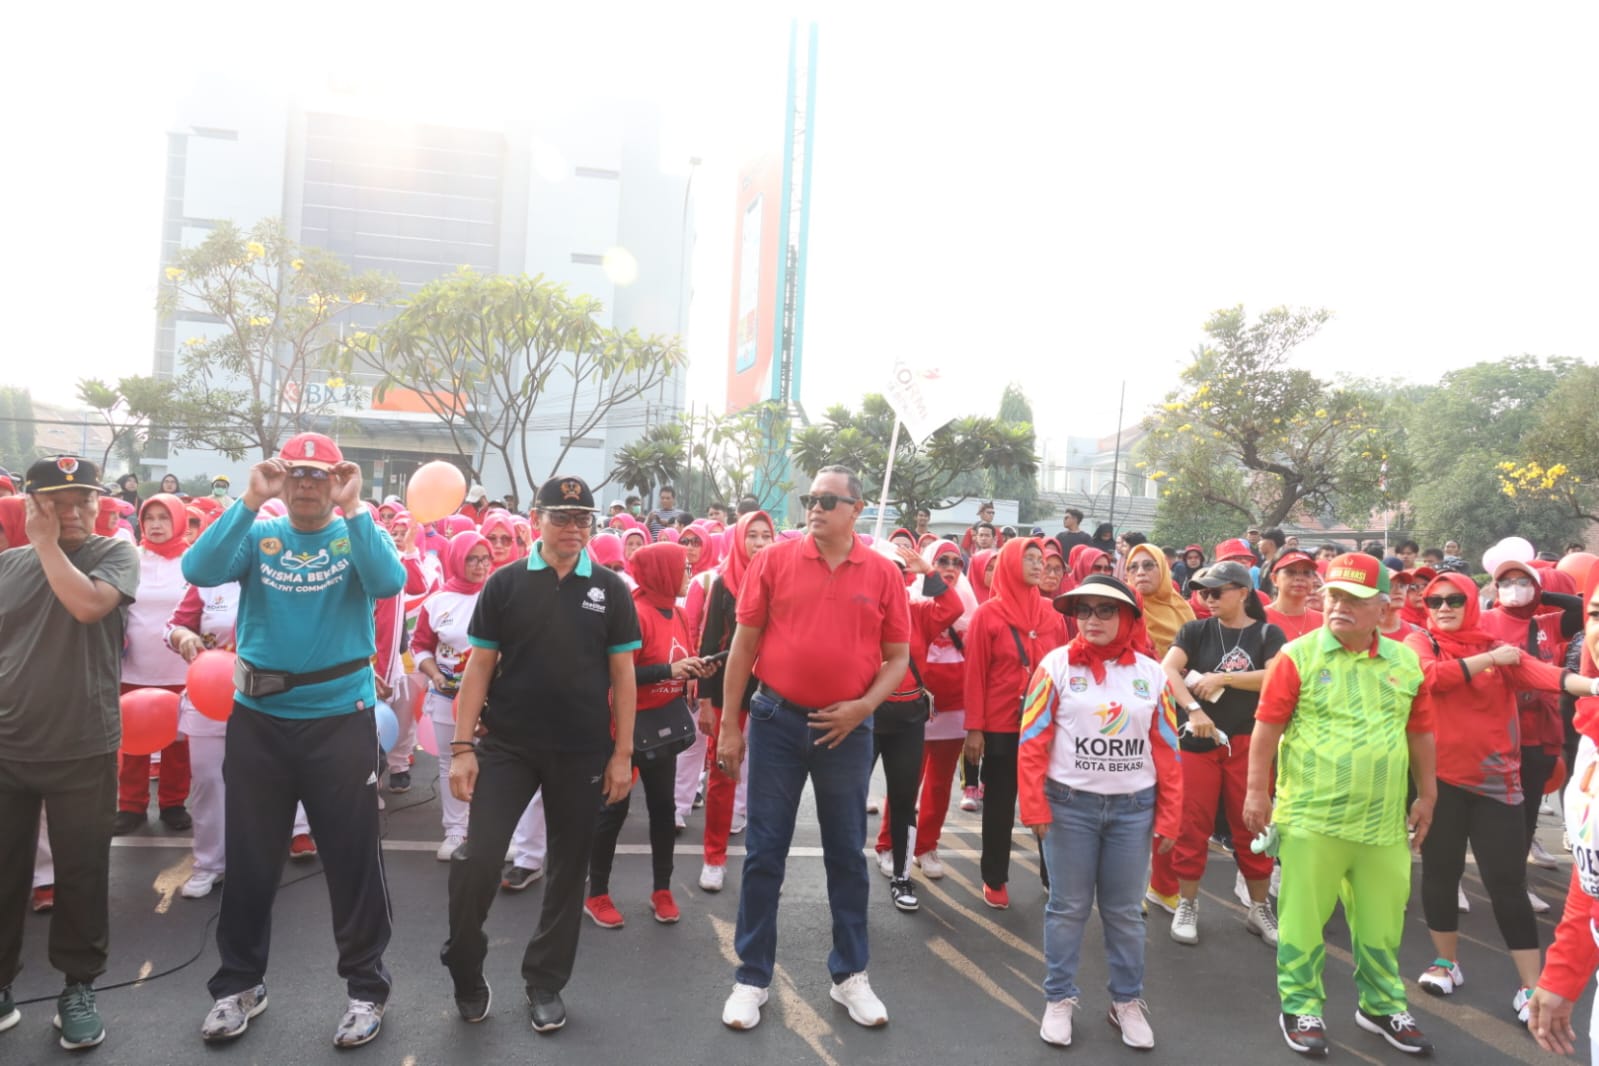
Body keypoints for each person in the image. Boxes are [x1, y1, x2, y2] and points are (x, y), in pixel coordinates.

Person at [184, 433, 406, 1049]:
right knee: (251, 859)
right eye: (296, 474)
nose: (308, 484)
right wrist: (251, 500)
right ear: (281, 478)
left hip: (340, 719)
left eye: (320, 474)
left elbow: (388, 582)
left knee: (352, 860)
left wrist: (357, 507)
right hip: (259, 720)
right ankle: (239, 985)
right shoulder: (258, 535)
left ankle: (366, 989)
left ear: (336, 480)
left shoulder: (355, 533)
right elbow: (198, 570)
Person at [441, 474, 639, 1035]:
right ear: (536, 519)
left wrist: (622, 754)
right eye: (562, 517)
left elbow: (623, 676)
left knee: (567, 869)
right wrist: (461, 748)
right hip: (507, 745)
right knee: (478, 859)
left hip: (581, 752)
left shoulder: (611, 588)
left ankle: (545, 981)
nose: (574, 529)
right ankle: (465, 962)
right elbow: (479, 667)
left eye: (583, 520)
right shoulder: (503, 585)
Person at [716, 467, 910, 1032]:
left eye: (828, 500)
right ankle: (751, 977)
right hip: (776, 719)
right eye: (811, 498)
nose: (815, 507)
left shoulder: (882, 572)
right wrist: (731, 724)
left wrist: (863, 707)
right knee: (763, 854)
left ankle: (850, 975)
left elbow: (897, 655)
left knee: (847, 856)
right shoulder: (772, 561)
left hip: (847, 729)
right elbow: (743, 646)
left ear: (857, 508)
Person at [1244, 553, 1437, 1056]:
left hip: (1382, 826)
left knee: (1382, 922)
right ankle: (1301, 1005)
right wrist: (1256, 790)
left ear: (1382, 607)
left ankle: (1380, 1004)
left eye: (1353, 599)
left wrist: (1429, 794)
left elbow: (1420, 732)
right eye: (1332, 595)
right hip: (1311, 819)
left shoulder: (1405, 662)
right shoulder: (1298, 656)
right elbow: (1266, 729)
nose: (1338, 606)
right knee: (1304, 921)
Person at [1406, 571, 1591, 1020]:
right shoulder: (1421, 643)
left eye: (1454, 600)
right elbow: (1431, 680)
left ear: (1470, 602)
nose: (1444, 608)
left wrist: (1596, 686)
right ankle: (1447, 963)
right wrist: (1490, 660)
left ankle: (1532, 987)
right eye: (1435, 602)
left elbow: (1549, 676)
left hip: (1497, 785)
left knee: (1507, 885)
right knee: (1440, 875)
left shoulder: (1498, 648)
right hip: (1439, 783)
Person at [0, 456, 138, 1051]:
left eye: (85, 498)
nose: (76, 510)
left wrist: (45, 545)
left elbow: (87, 607)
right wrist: (32, 548)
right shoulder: (6, 567)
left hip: (84, 746)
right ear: (34, 505)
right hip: (9, 748)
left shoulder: (114, 554)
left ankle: (76, 987)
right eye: (58, 500)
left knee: (82, 875)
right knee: (3, 878)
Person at [1019, 574, 1182, 1050]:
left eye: (1106, 610)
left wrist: (1169, 817)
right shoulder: (1054, 666)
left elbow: (1168, 750)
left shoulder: (1152, 674)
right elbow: (1032, 742)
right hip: (1069, 808)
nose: (1093, 619)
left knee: (1126, 913)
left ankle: (1126, 1002)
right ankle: (1058, 998)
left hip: (1134, 810)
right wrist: (1034, 805)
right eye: (1084, 610)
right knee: (1066, 909)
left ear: (1129, 616)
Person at [585, 542, 712, 929]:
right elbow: (615, 674)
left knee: (663, 809)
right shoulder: (635, 613)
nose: (689, 574)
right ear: (661, 572)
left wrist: (692, 671)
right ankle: (597, 894)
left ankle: (662, 889)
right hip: (623, 725)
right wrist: (668, 671)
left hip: (664, 723)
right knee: (613, 810)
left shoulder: (678, 611)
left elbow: (677, 661)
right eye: (682, 568)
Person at [1162, 561, 1285, 947]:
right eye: (1204, 592)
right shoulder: (1195, 630)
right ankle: (1188, 903)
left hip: (1249, 742)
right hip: (1199, 744)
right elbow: (1168, 670)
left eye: (1217, 591)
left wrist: (1223, 678)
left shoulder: (1267, 632)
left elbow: (1277, 676)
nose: (1208, 599)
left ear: (1243, 592)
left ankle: (1259, 907)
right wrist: (1194, 710)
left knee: (1253, 823)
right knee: (1191, 824)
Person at [964, 537, 1068, 909]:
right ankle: (994, 878)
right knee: (1000, 804)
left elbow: (1065, 670)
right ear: (1009, 563)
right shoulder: (987, 615)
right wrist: (974, 728)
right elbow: (974, 675)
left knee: (1049, 801)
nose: (1040, 565)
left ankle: (1052, 875)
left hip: (1046, 725)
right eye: (1030, 558)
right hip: (1001, 725)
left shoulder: (1053, 615)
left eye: (1042, 559)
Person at [870, 541, 963, 911]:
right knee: (845, 800)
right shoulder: (859, 611)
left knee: (905, 797)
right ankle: (848, 879)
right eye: (886, 572)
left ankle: (902, 876)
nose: (893, 579)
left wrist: (928, 571)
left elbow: (953, 606)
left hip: (909, 717)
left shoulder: (918, 611)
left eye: (900, 573)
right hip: (866, 716)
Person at [695, 510, 775, 892]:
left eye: (765, 536)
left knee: (771, 780)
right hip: (732, 693)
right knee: (723, 774)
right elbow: (710, 647)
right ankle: (714, 856)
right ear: (739, 539)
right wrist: (707, 703)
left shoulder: (782, 579)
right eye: (752, 536)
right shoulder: (723, 583)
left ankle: (765, 866)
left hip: (775, 694)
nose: (759, 543)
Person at [114, 494, 195, 835]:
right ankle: (130, 806)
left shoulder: (193, 562)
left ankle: (173, 803)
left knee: (178, 742)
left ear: (177, 521)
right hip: (135, 666)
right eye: (150, 518)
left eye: (164, 517)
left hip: (180, 667)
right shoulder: (129, 558)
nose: (156, 524)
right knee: (133, 740)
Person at [411, 532, 493, 860]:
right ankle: (455, 831)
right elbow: (419, 645)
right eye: (471, 558)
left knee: (495, 763)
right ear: (456, 560)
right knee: (451, 761)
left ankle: (495, 831)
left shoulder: (499, 594)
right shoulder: (437, 601)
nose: (479, 565)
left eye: (484, 558)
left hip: (495, 700)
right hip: (447, 696)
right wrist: (434, 674)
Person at [1264, 550, 1323, 641]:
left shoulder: (1323, 621)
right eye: (1291, 572)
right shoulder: (1259, 619)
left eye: (1306, 573)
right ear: (1274, 579)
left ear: (1313, 579)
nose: (1299, 578)